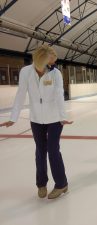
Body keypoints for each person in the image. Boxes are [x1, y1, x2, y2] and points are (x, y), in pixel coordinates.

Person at [0, 45, 73, 199]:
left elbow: (59, 95)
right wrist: (13, 117)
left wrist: (62, 116)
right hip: (36, 119)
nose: (52, 65)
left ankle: (61, 184)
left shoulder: (56, 73)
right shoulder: (26, 72)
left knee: (53, 151)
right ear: (41, 61)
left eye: (53, 62)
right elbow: (20, 94)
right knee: (40, 152)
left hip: (54, 119)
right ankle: (41, 184)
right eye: (50, 62)